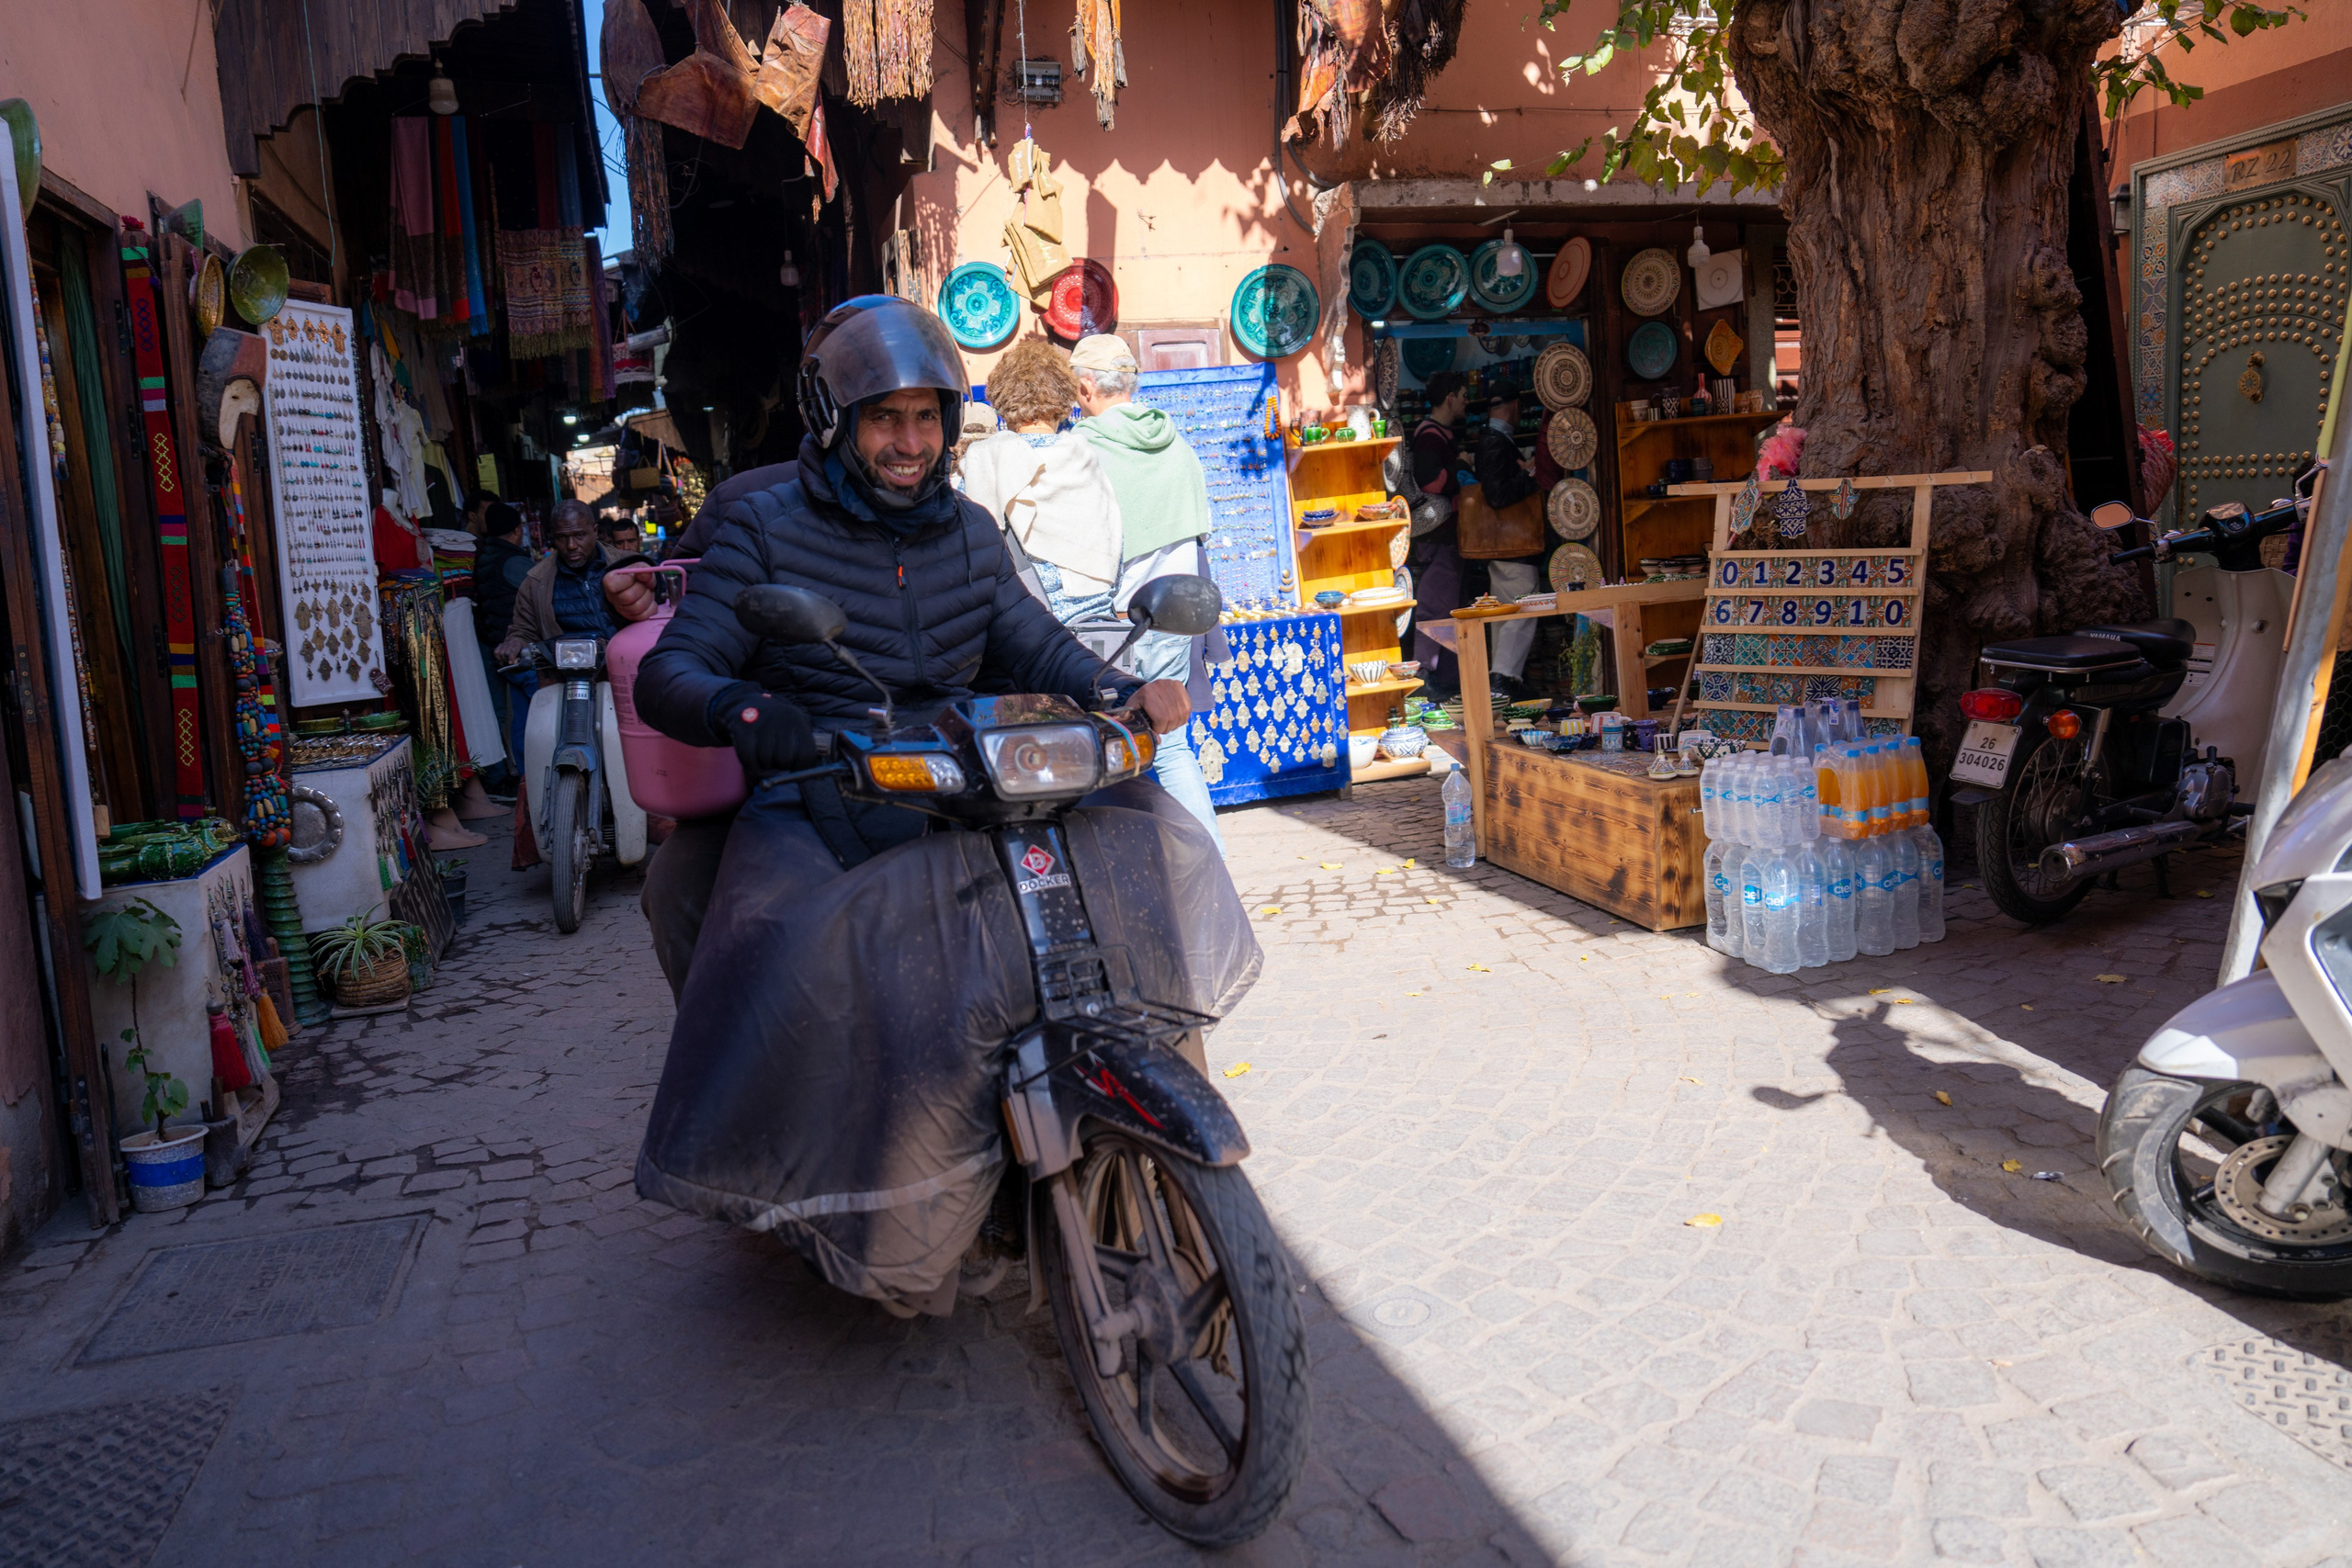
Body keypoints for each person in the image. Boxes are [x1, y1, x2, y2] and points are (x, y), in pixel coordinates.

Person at [632, 296, 1193, 999]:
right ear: (835, 420)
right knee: (767, 966)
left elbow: (1036, 643)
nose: (910, 441)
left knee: (1121, 889)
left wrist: (1117, 688)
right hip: (818, 785)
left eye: (926, 415)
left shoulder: (970, 529)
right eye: (884, 416)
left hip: (965, 784)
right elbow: (670, 670)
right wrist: (742, 711)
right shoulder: (763, 528)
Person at [1069, 333, 1224, 852]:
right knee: (1173, 745)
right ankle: (1210, 864)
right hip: (1174, 616)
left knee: (1110, 747)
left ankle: (1134, 871)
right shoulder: (1175, 443)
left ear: (1087, 387)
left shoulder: (1085, 447)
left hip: (1116, 621)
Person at [960, 336, 1123, 623]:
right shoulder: (1086, 461)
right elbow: (1116, 560)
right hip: (1094, 635)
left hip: (1027, 635)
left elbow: (964, 560)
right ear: (1063, 398)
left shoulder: (983, 461)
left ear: (1001, 401)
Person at [1473, 390, 1545, 698]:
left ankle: (1499, 686)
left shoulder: (1491, 440)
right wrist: (1530, 475)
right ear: (1514, 406)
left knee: (1506, 612)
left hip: (1504, 544)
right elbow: (1498, 495)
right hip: (1513, 543)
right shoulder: (1494, 441)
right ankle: (1503, 679)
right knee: (1523, 607)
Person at [1406, 371, 1471, 695]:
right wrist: (1459, 465)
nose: (1466, 402)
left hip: (1443, 536)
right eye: (1463, 395)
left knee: (1446, 606)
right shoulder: (1432, 436)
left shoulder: (1438, 433)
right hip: (1438, 536)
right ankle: (1425, 676)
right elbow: (1431, 482)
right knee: (1436, 607)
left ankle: (1445, 682)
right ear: (1450, 397)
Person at [472, 502, 533, 798]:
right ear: (518, 530)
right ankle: (527, 778)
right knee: (531, 715)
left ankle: (517, 778)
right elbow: (540, 590)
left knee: (513, 716)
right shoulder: (513, 561)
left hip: (496, 644)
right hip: (518, 648)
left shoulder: (486, 555)